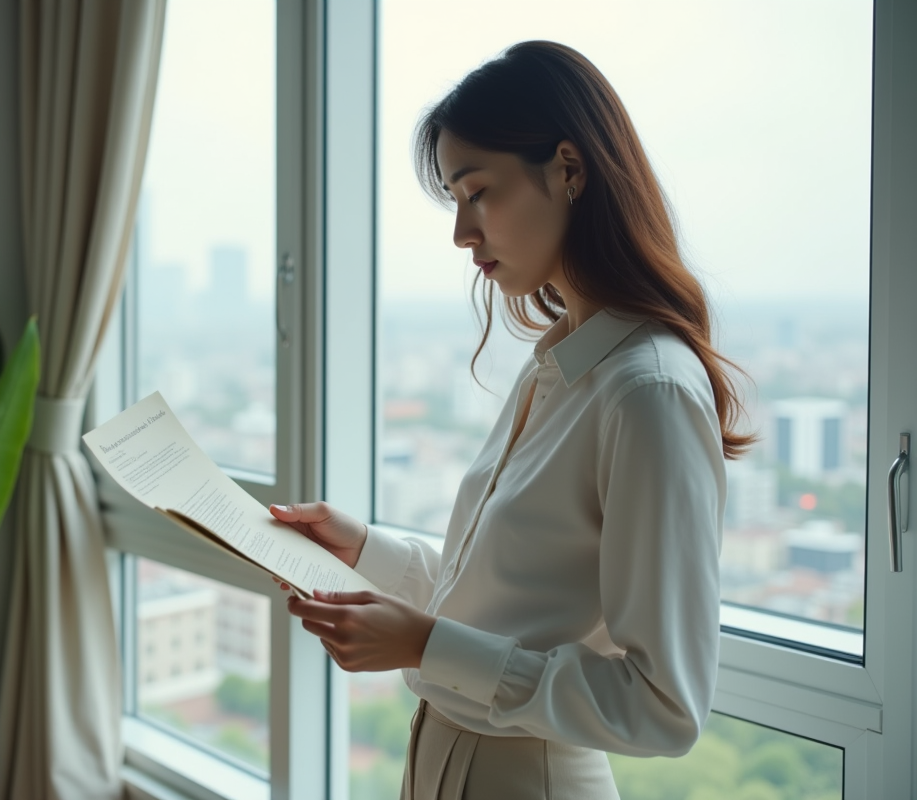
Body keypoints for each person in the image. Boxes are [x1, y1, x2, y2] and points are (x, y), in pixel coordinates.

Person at [268, 40, 753, 799]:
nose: (462, 233)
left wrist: (427, 645)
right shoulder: (561, 363)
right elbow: (503, 605)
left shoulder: (645, 391)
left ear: (569, 168)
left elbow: (664, 707)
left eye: (477, 192)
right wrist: (361, 547)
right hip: (446, 766)